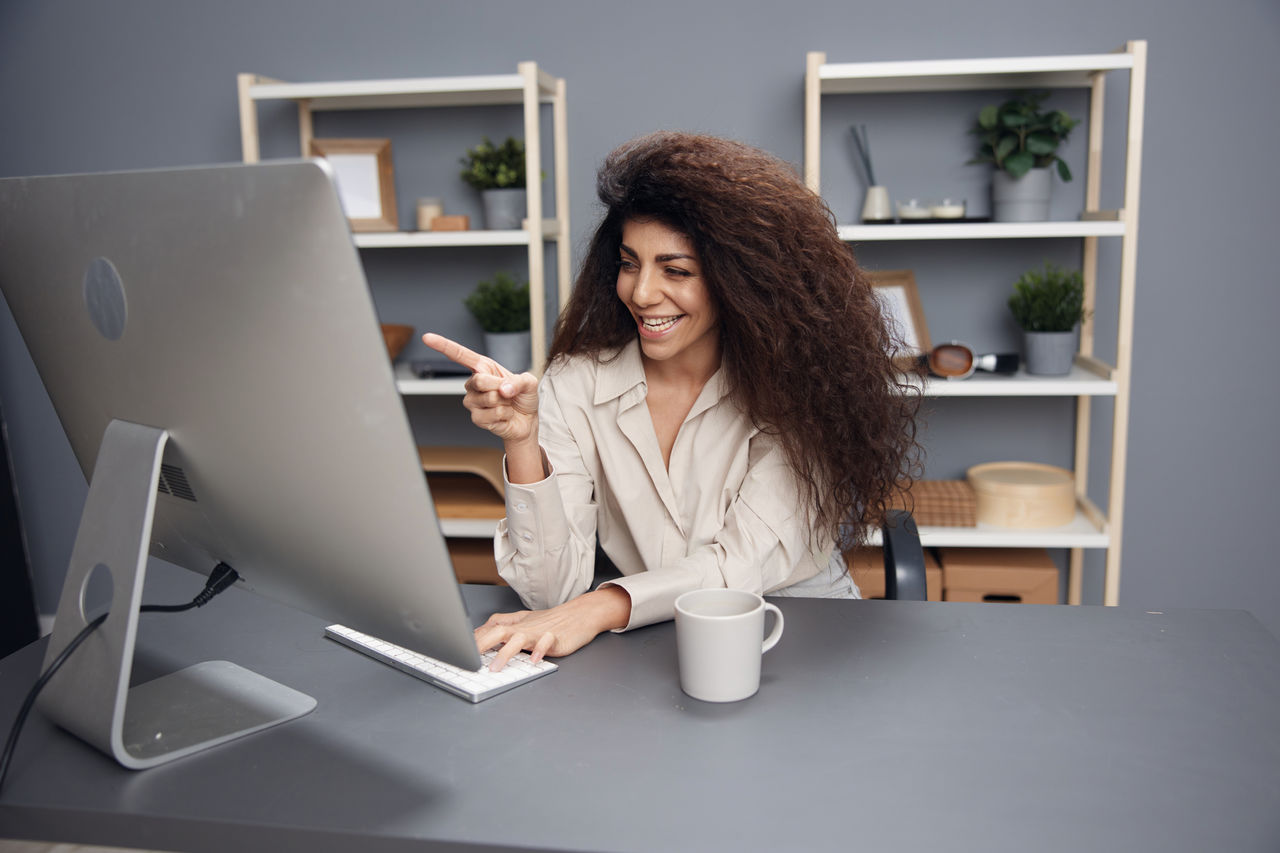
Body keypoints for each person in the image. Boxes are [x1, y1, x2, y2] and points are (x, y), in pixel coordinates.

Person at [425, 131, 920, 670]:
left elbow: (741, 564)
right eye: (630, 263)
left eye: (676, 270)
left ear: (742, 281)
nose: (641, 293)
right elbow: (550, 595)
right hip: (652, 641)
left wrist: (601, 604)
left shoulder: (799, 387)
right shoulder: (575, 384)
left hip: (798, 628)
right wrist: (522, 443)